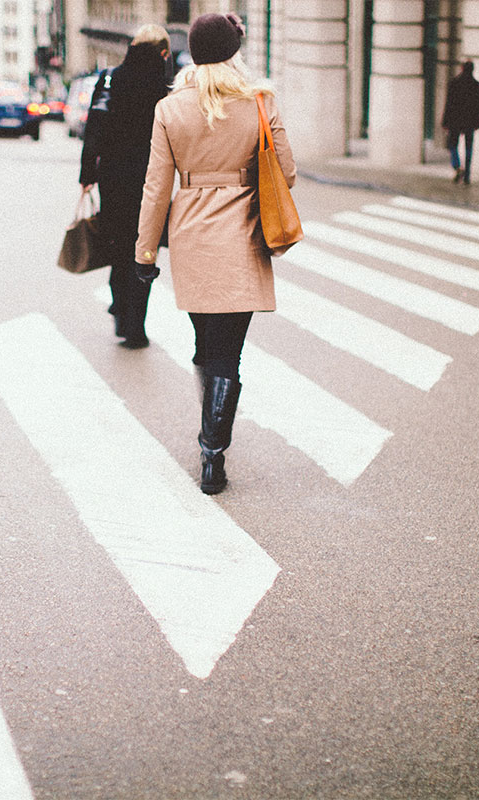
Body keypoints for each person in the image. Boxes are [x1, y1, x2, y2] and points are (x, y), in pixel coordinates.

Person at [134, 12, 295, 495]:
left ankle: (210, 438)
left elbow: (156, 187)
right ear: (233, 51)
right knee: (229, 354)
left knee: (207, 347)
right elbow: (286, 171)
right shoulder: (259, 101)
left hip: (191, 240)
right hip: (243, 238)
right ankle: (213, 453)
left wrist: (145, 253)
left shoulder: (170, 108)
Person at [79, 24, 171, 349]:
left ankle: (120, 309)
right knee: (145, 250)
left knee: (118, 245)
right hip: (151, 181)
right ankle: (136, 326)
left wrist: (87, 173)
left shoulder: (109, 78)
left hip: (114, 178)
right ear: (162, 53)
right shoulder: (165, 86)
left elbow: (95, 126)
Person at [440, 60, 479, 185]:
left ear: (462, 68)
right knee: (468, 148)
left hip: (455, 121)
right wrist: (478, 122)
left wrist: (445, 121)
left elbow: (449, 104)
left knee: (452, 145)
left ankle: (458, 166)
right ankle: (467, 175)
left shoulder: (454, 83)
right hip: (470, 122)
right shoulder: (477, 86)